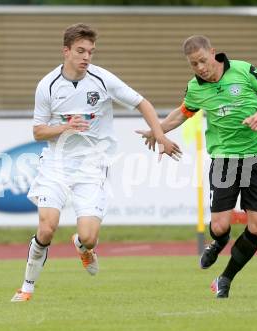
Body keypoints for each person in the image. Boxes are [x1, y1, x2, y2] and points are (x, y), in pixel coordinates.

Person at [11, 23, 181, 302]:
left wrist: (160, 135)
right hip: (56, 164)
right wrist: (64, 128)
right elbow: (38, 131)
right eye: (80, 51)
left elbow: (143, 103)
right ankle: (27, 287)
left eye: (90, 51)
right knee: (46, 227)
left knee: (89, 237)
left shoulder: (102, 80)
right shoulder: (47, 86)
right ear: (66, 51)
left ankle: (82, 246)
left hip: (92, 165)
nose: (86, 57)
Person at [137, 35, 257, 298]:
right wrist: (156, 131)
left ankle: (225, 279)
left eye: (202, 60)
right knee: (220, 226)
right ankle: (219, 242)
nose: (200, 67)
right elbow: (182, 113)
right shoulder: (195, 88)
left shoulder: (244, 70)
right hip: (225, 159)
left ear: (213, 53)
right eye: (194, 64)